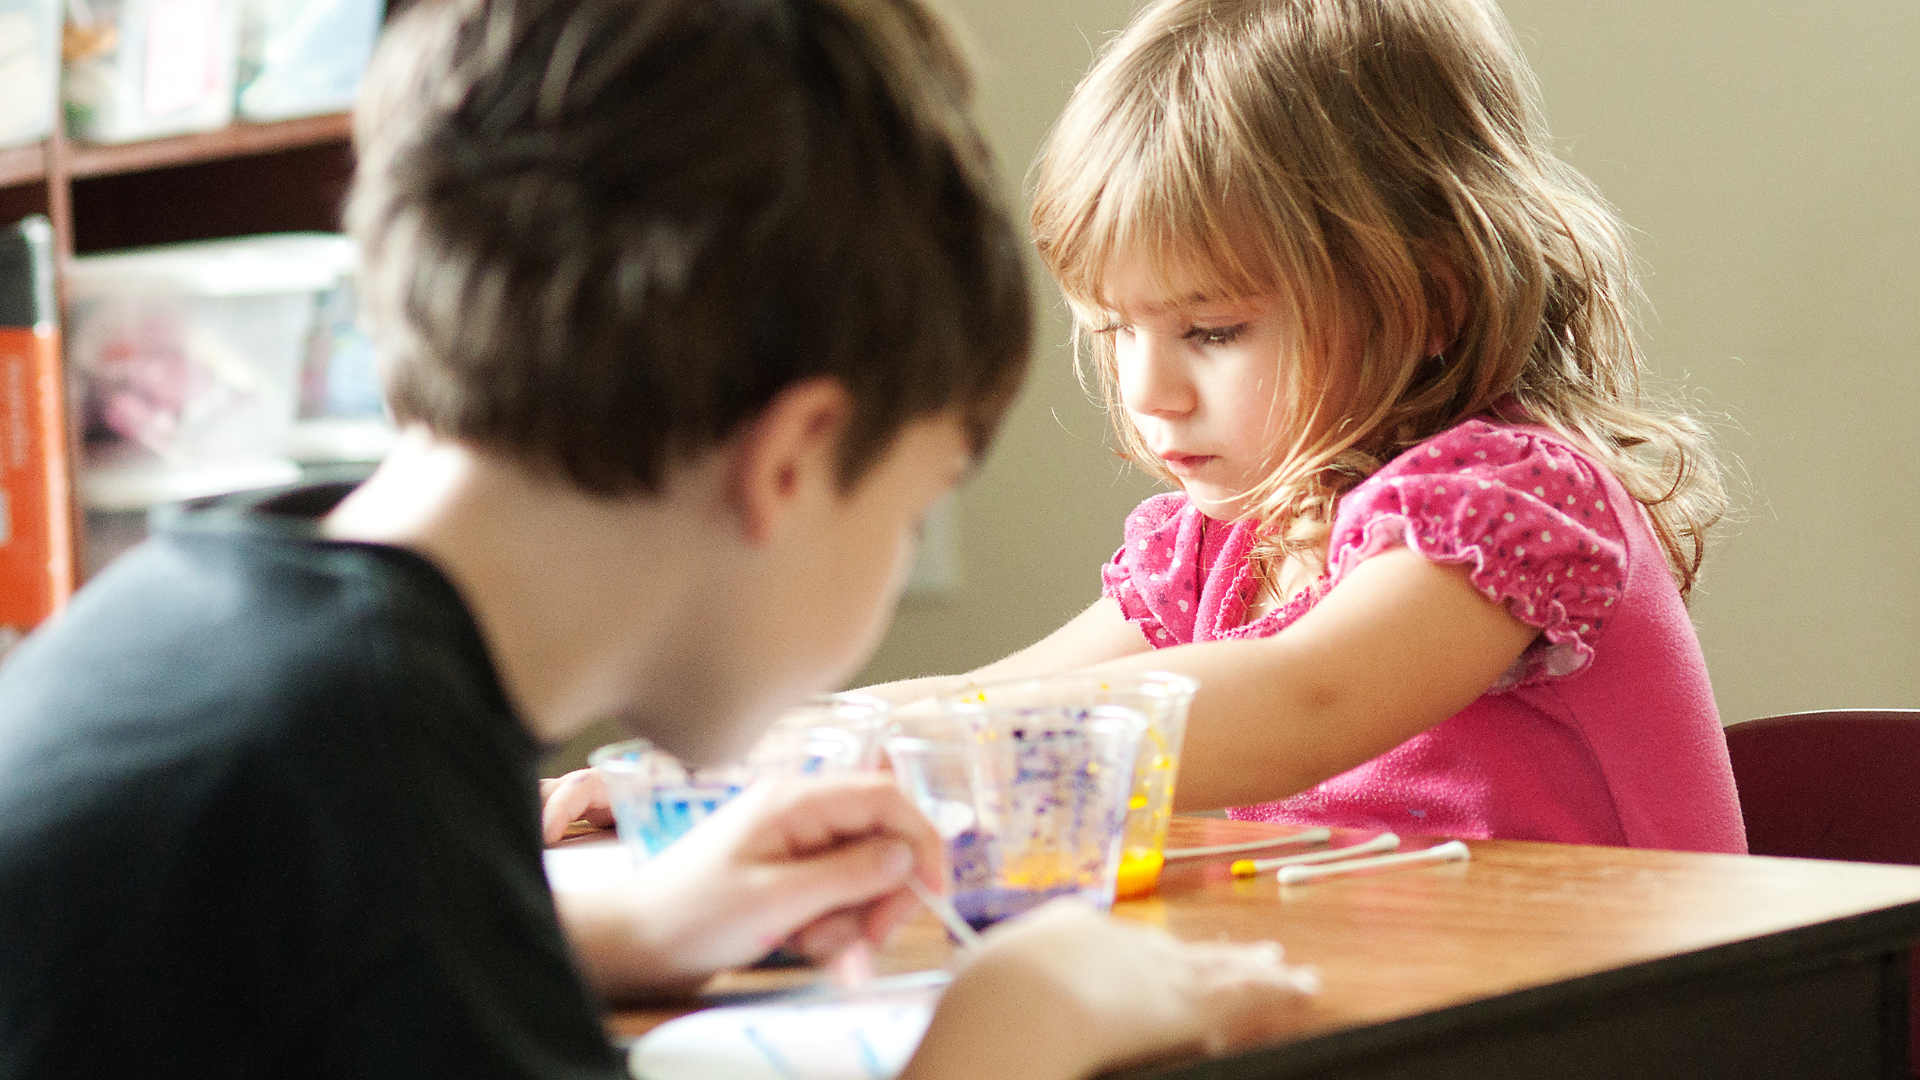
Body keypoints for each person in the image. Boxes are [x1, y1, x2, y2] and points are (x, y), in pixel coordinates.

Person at [0, 0, 1311, 1076]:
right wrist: (1013, 1035)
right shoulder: (359, 768)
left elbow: (294, 965)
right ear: (792, 462)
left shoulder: (221, 635)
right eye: (909, 510)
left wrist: (637, 929)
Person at [855, 0, 1745, 853]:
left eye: (1213, 331)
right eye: (1117, 329)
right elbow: (992, 693)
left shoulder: (1509, 503)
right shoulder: (1218, 550)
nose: (1148, 391)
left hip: (1634, 965)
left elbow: (1302, 700)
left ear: (1429, 300)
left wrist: (936, 755)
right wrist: (816, 743)